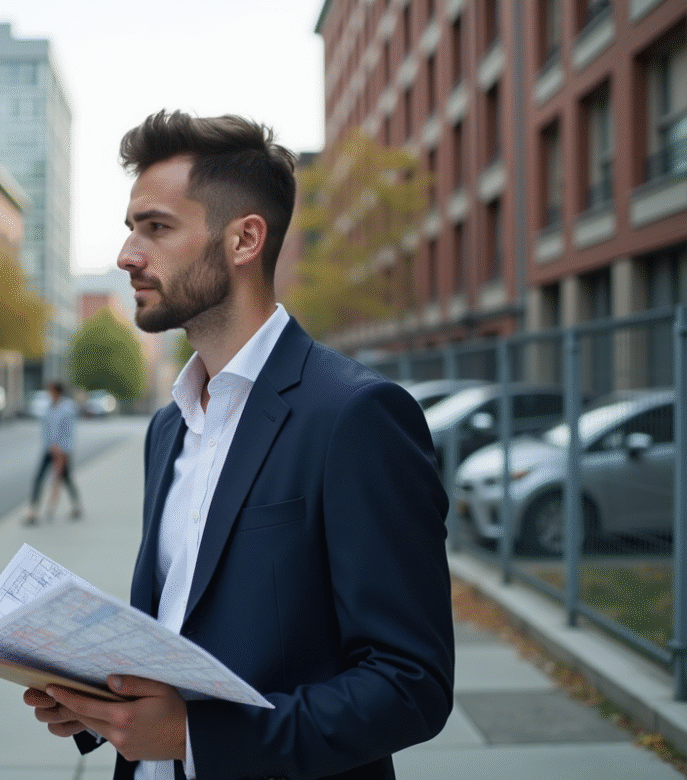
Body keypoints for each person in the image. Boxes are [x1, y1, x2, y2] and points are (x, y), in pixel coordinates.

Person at [23, 110, 454, 779]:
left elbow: (409, 685)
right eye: (131, 227)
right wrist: (99, 704)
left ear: (244, 239)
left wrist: (195, 737)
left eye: (156, 227)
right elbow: (175, 631)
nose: (127, 255)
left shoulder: (356, 416)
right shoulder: (168, 428)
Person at [24, 381, 82, 525]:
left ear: (57, 392)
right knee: (39, 478)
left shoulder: (68, 409)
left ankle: (76, 505)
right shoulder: (49, 408)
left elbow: (70, 432)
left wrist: (63, 449)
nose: (49, 394)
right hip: (50, 449)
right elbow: (46, 430)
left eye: (51, 391)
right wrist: (50, 445)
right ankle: (33, 509)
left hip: (63, 450)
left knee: (65, 478)